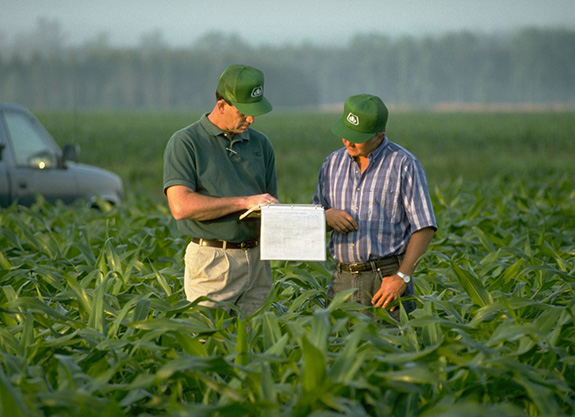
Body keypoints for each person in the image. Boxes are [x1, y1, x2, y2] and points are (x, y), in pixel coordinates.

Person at [163, 64, 279, 316]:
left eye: (255, 112)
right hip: (212, 260)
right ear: (221, 104)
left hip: (258, 261)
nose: (251, 119)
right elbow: (181, 206)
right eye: (244, 112)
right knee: (209, 342)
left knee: (258, 343)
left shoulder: (261, 144)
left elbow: (270, 204)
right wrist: (244, 202)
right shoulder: (186, 142)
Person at [312, 94, 437, 320]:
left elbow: (424, 227)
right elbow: (313, 217)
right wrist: (326, 216)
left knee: (391, 347)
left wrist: (402, 277)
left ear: (380, 135)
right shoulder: (331, 163)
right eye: (345, 134)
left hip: (386, 280)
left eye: (356, 138)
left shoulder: (404, 164)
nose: (348, 142)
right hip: (342, 280)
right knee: (340, 349)